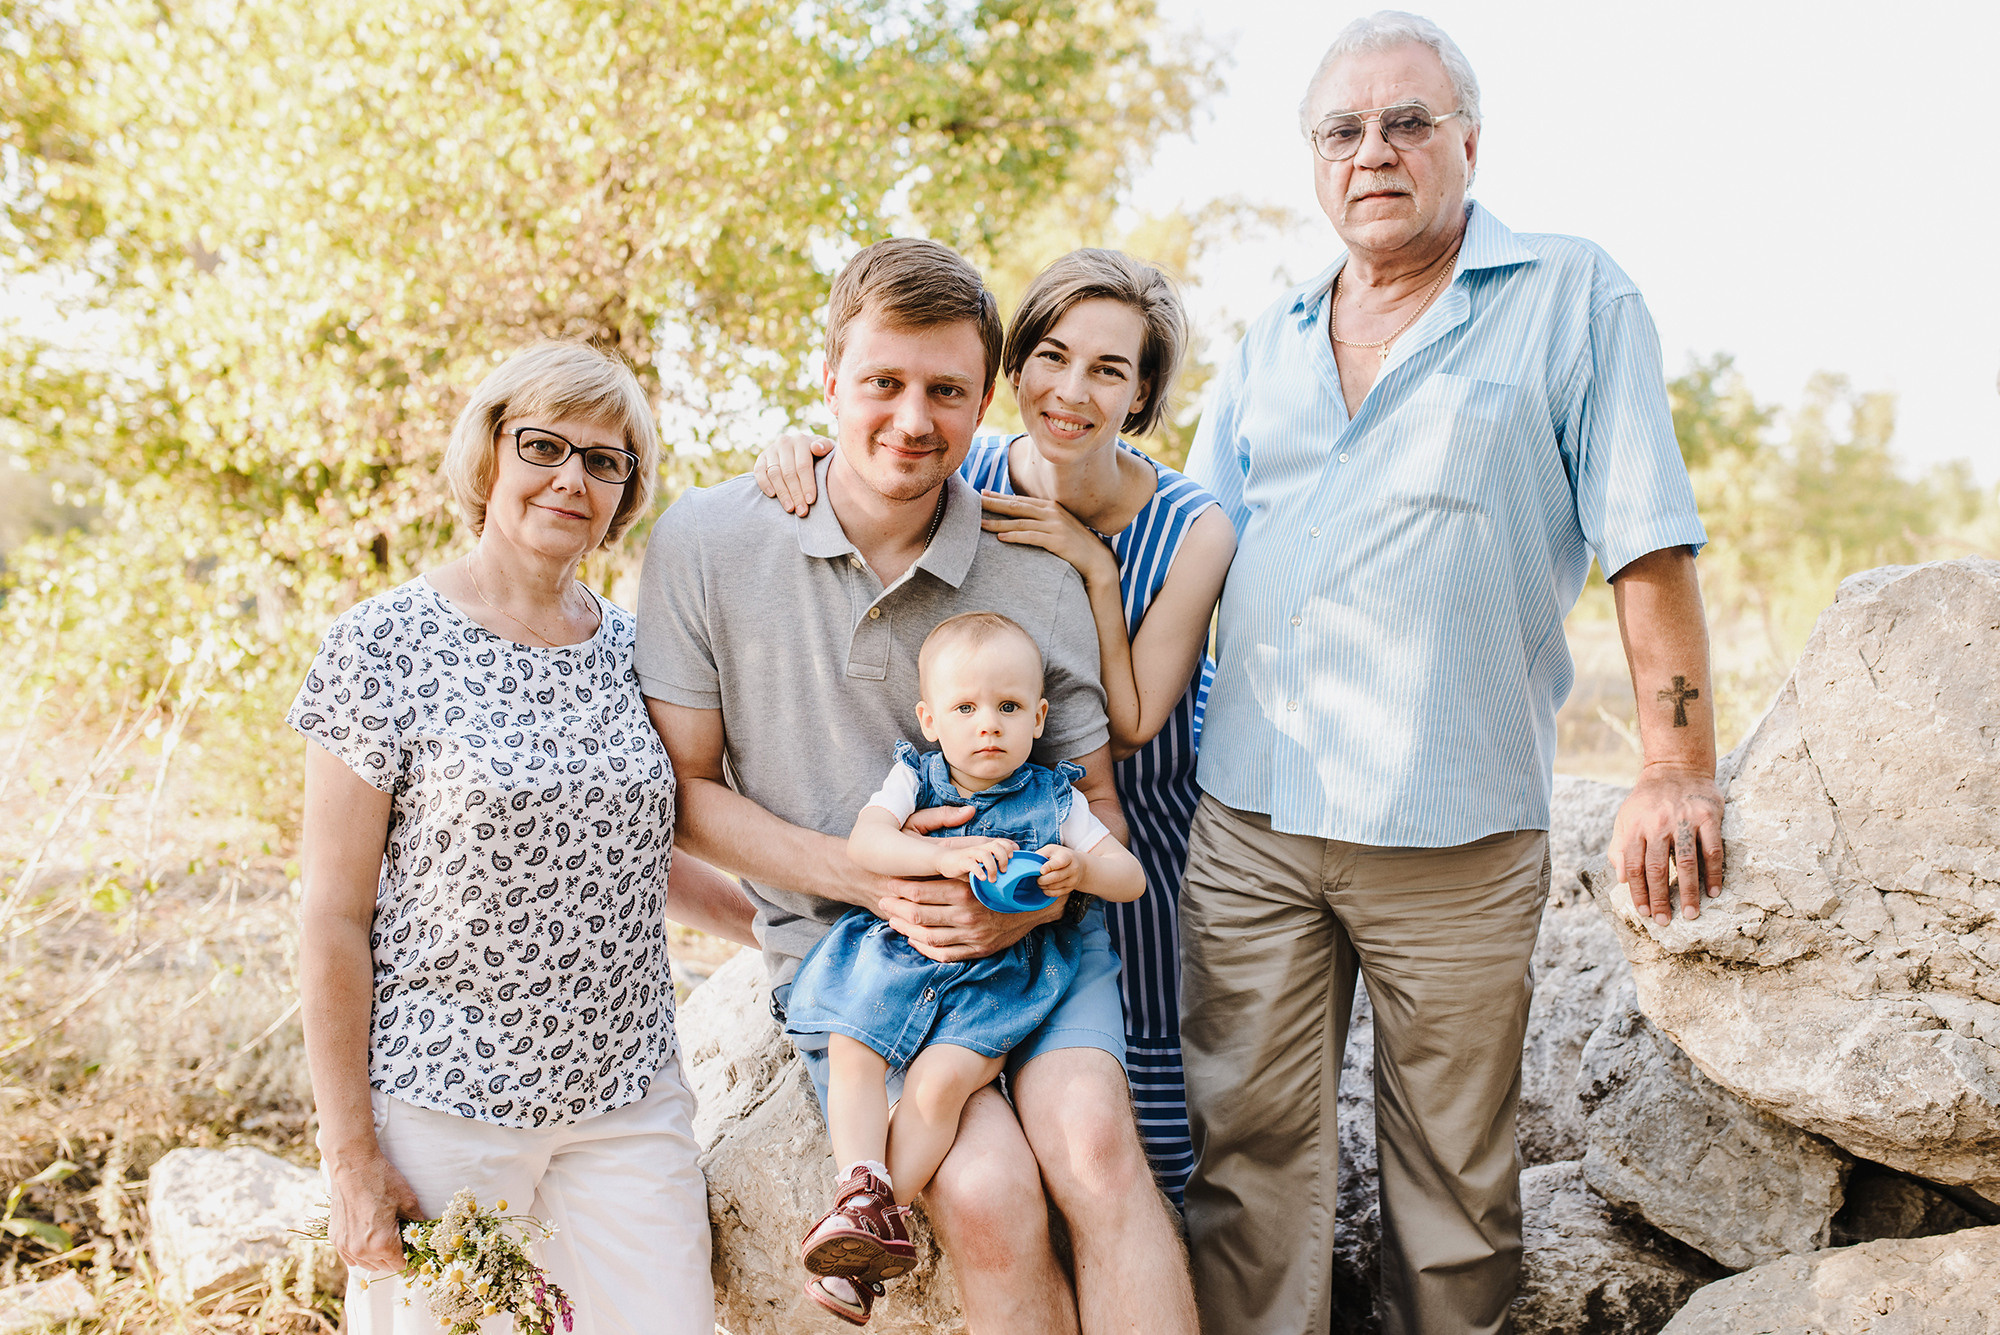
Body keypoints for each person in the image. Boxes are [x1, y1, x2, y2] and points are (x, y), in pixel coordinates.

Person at [1177, 12, 1728, 1335]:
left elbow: (1645, 538)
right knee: (1247, 1178)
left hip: (1456, 828)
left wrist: (1676, 765)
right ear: (1315, 162)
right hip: (1251, 817)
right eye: (1344, 130)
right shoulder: (1270, 336)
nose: (1375, 150)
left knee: (1452, 1190)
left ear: (1470, 141)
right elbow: (1175, 541)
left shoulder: (1573, 293)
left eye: (1409, 122)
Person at [637, 236, 1198, 1333]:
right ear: (831, 381)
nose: (910, 418)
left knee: (1092, 1149)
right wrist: (878, 886)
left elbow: (1094, 803)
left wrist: (1028, 899)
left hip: (1036, 942)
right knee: (986, 1192)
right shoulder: (705, 543)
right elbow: (688, 794)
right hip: (857, 961)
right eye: (880, 383)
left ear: (984, 398)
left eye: (944, 390)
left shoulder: (1032, 566)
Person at [291, 340, 754, 1335]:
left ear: (626, 491)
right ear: (489, 455)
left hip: (625, 1099)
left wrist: (803, 926)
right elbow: (331, 917)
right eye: (543, 446)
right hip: (442, 1102)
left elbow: (630, 853)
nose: (569, 479)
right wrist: (351, 1161)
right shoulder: (381, 646)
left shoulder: (640, 653)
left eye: (603, 461)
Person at [754, 248, 1235, 1204]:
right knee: (991, 1083)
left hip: (1133, 829)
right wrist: (791, 444)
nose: (1071, 390)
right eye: (1052, 356)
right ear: (1011, 374)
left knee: (1144, 1111)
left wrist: (1093, 570)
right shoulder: (965, 463)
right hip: (983, 811)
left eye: (1109, 370)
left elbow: (1134, 718)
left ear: (1141, 395)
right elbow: (876, 440)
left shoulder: (1194, 526)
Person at [787, 612, 1148, 1325]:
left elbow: (1131, 877)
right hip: (899, 959)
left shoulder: (1057, 800)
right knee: (853, 1045)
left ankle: (869, 1232)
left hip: (998, 980)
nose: (989, 725)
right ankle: (860, 1188)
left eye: (1009, 707)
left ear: (1040, 716)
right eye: (965, 708)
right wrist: (943, 856)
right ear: (930, 718)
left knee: (941, 1083)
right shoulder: (914, 778)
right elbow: (868, 843)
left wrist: (1082, 870)